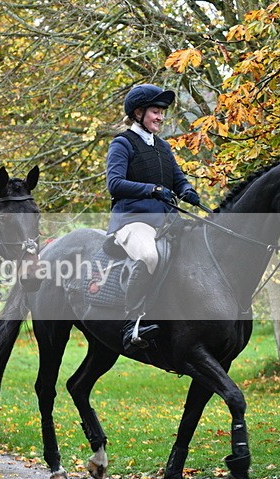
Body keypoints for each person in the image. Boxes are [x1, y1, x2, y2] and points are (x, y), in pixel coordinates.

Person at [106, 83, 202, 353]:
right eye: (155, 112)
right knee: (149, 256)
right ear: (138, 113)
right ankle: (132, 324)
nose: (160, 117)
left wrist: (188, 191)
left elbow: (178, 178)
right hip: (131, 222)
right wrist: (152, 189)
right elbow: (115, 184)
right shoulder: (123, 144)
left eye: (162, 112)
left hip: (165, 222)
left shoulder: (162, 146)